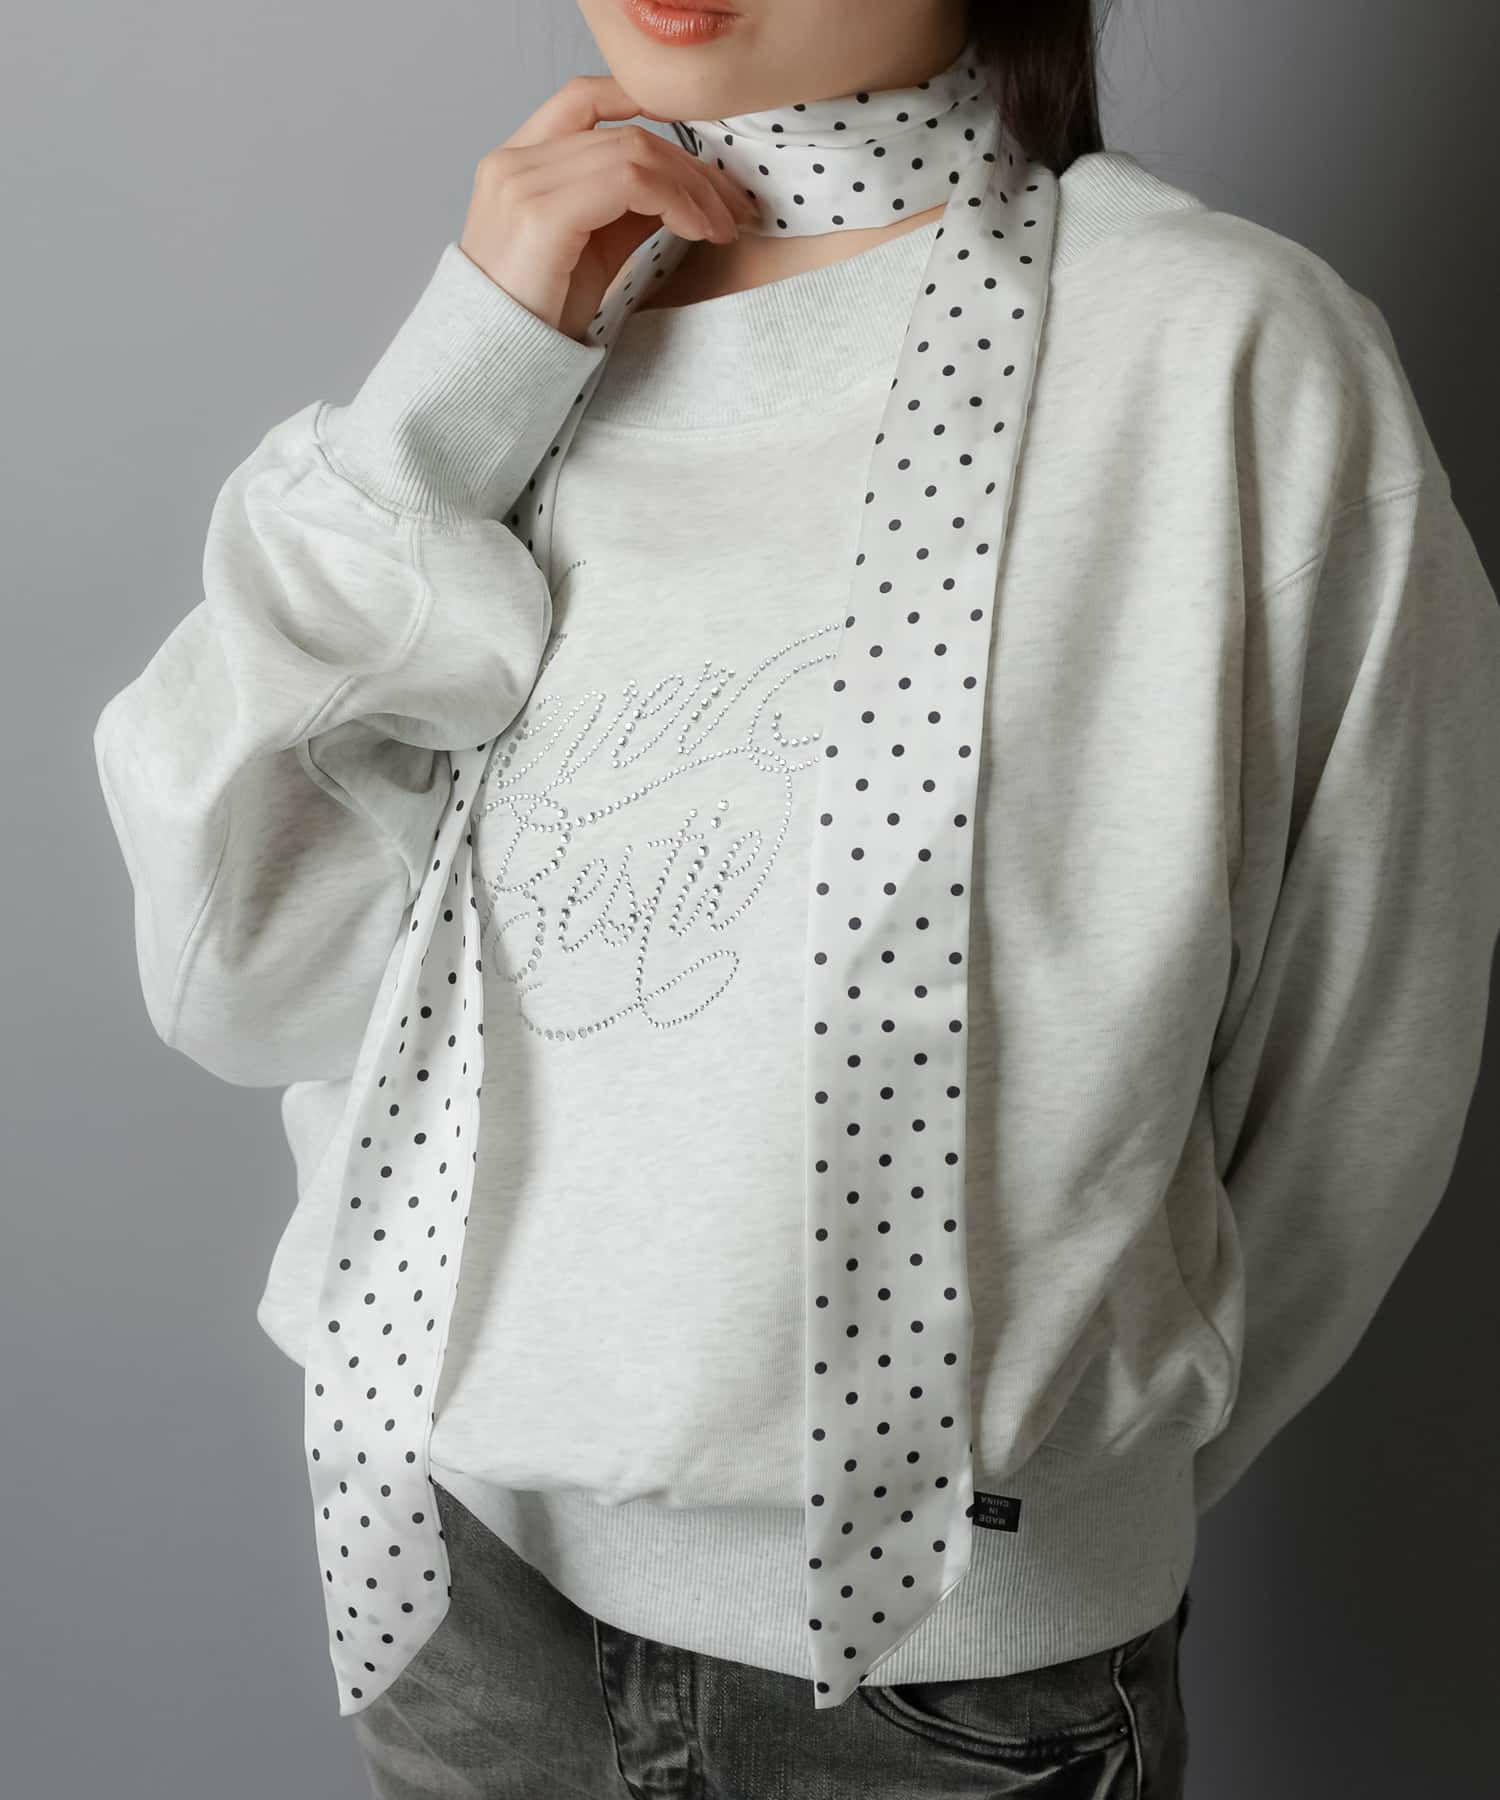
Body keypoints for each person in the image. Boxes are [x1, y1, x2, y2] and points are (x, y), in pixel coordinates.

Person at [91, 1, 1500, 1795]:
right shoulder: (533, 340)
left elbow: (1364, 1067)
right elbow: (237, 970)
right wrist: (455, 380)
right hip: (460, 1598)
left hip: (934, 1685)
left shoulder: (1219, 350)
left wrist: (1047, 1478)